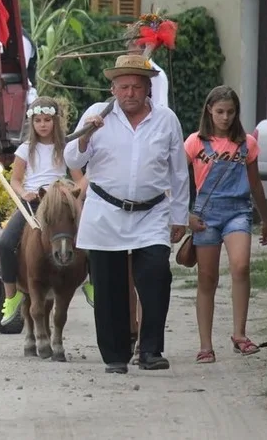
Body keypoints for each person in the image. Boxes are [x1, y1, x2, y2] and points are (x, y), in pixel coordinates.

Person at [65, 53, 190, 374]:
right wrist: (86, 136)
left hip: (151, 213)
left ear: (148, 88)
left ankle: (150, 349)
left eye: (136, 87)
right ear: (113, 89)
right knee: (109, 286)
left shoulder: (166, 119)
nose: (129, 93)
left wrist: (180, 216)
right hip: (105, 210)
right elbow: (72, 160)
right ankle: (115, 354)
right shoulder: (97, 114)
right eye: (123, 87)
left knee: (156, 278)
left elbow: (178, 172)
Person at [185, 86, 267, 363]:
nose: (225, 117)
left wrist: (266, 219)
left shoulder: (247, 143)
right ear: (209, 110)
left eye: (230, 112)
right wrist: (185, 214)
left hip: (238, 211)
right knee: (207, 278)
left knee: (241, 265)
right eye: (220, 111)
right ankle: (205, 344)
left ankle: (240, 334)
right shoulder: (195, 143)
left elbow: (255, 183)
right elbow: (176, 176)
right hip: (206, 214)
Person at [0, 96, 89, 327]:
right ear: (32, 123)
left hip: (61, 203)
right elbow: (16, 180)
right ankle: (11, 295)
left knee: (90, 239)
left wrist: (72, 193)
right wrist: (23, 193)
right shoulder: (25, 149)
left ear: (55, 121)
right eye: (38, 120)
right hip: (34, 203)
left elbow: (79, 179)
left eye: (47, 119)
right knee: (6, 242)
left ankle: (91, 282)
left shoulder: (67, 148)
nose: (43, 124)